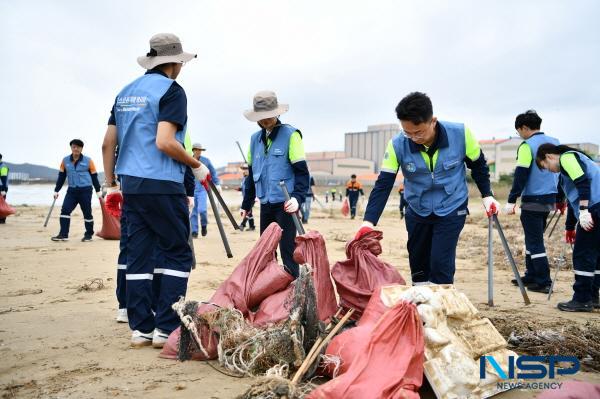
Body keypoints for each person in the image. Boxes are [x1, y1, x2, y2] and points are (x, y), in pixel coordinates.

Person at [101, 33, 209, 348]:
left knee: (138, 255)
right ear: (174, 63)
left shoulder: (125, 92)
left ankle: (140, 330)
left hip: (131, 185)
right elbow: (165, 141)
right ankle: (165, 328)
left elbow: (108, 143)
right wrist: (195, 165)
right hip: (163, 183)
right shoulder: (172, 91)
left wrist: (111, 186)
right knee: (176, 250)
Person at [355, 92, 499, 285]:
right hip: (417, 208)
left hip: (452, 206)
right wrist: (368, 222)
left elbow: (479, 165)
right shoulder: (397, 144)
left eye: (419, 132)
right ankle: (421, 306)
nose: (414, 138)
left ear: (433, 121)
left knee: (441, 262)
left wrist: (487, 195)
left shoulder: (461, 134)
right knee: (419, 264)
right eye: (408, 133)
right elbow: (383, 184)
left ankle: (441, 304)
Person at [241, 90, 309, 278]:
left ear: (277, 113)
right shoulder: (254, 140)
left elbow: (302, 173)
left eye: (268, 116)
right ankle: (269, 293)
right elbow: (251, 176)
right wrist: (246, 204)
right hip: (265, 204)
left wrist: (298, 198)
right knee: (266, 251)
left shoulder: (291, 135)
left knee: (288, 249)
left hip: (285, 204)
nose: (265, 121)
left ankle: (291, 292)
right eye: (261, 117)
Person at [503, 110, 561, 294]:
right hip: (549, 198)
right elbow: (562, 174)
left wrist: (511, 200)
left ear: (524, 127)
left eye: (519, 130)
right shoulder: (556, 143)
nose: (519, 134)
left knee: (535, 241)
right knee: (532, 237)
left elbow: (521, 174)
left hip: (533, 199)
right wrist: (561, 199)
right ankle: (531, 275)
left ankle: (543, 281)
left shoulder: (527, 145)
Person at [536, 144, 600, 312]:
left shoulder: (566, 158)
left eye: (545, 166)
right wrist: (570, 227)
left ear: (549, 156)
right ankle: (593, 297)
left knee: (583, 254)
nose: (549, 171)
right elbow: (574, 200)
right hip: (594, 208)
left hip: (595, 208)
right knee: (595, 254)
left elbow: (583, 183)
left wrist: (585, 211)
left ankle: (582, 299)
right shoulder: (570, 168)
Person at [51, 139, 102, 241]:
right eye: (74, 147)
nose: (76, 149)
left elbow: (94, 176)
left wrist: (98, 191)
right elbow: (61, 176)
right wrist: (56, 190)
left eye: (78, 147)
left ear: (81, 148)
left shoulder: (88, 161)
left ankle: (88, 235)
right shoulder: (65, 161)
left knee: (87, 212)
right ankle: (63, 234)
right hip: (72, 191)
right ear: (71, 148)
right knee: (65, 210)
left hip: (85, 190)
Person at [190, 143, 220, 237]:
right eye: (197, 150)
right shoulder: (188, 160)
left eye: (200, 150)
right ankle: (194, 231)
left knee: (202, 210)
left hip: (203, 189)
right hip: (191, 189)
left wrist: (217, 184)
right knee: (193, 211)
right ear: (193, 150)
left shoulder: (206, 161)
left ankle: (204, 225)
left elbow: (213, 172)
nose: (199, 151)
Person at [239, 163, 256, 231]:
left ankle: (242, 224)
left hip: (252, 198)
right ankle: (252, 226)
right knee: (249, 212)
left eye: (246, 169)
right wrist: (239, 189)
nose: (244, 170)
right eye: (243, 169)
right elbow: (244, 188)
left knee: (247, 211)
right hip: (246, 198)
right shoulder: (244, 179)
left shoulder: (252, 178)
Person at [0, 154, 9, 224]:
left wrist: (3, 189)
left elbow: (4, 178)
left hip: (2, 187)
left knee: (2, 204)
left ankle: (2, 220)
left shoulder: (3, 166)